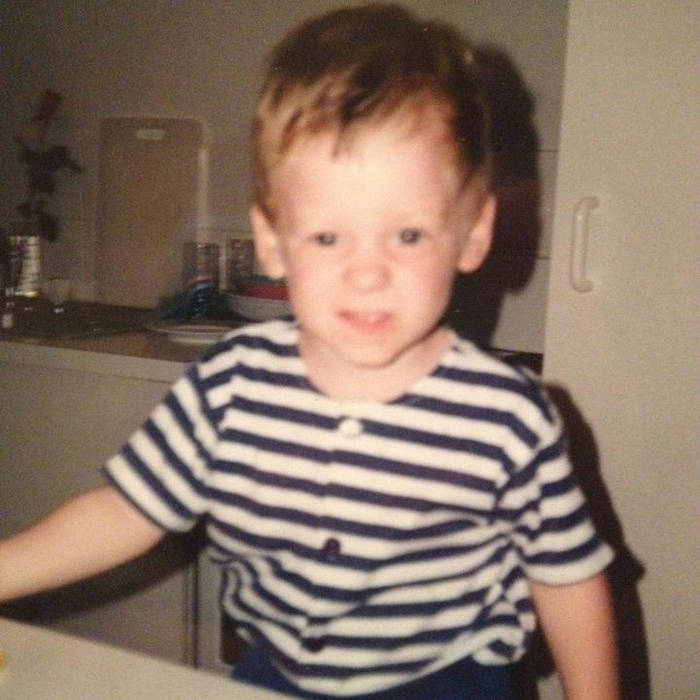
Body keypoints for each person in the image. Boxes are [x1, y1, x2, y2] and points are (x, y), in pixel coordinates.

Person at [0, 4, 619, 699]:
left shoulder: (507, 417)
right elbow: (124, 512)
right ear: (272, 241)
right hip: (275, 676)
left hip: (445, 683)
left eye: (407, 235)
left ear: (472, 234)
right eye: (328, 237)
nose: (367, 273)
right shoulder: (231, 385)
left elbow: (569, 581)